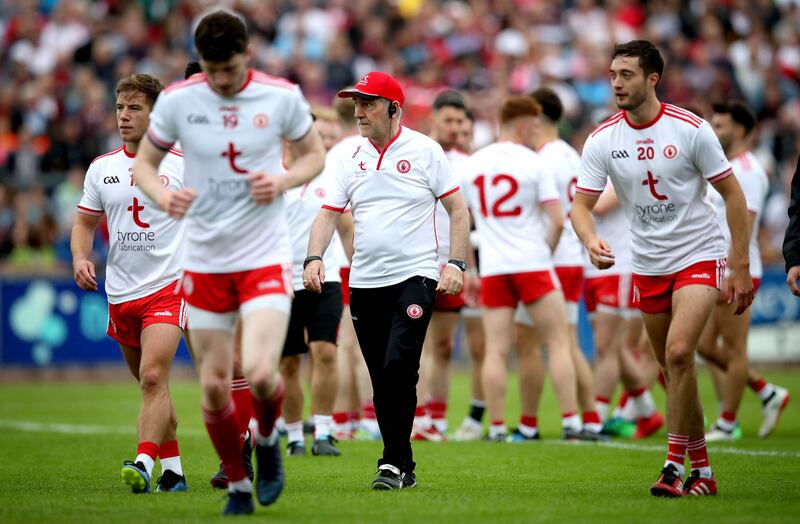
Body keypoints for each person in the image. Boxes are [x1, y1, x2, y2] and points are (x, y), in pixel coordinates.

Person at [132, 11, 326, 515]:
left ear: (247, 56)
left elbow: (314, 157)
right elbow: (145, 166)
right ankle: (239, 485)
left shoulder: (281, 95)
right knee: (215, 385)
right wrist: (161, 197)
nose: (221, 81)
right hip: (205, 259)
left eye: (230, 70)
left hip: (262, 255)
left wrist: (282, 181)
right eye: (213, 71)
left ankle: (265, 439)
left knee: (261, 373)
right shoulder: (179, 101)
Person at [571, 40, 753, 498]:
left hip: (697, 253)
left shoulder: (691, 129)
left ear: (653, 79)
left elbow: (734, 195)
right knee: (674, 371)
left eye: (626, 74)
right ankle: (704, 473)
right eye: (612, 73)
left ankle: (673, 466)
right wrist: (590, 239)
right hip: (646, 262)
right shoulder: (603, 138)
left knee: (677, 354)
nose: (615, 82)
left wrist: (741, 263)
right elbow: (580, 206)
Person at [303, 71, 469, 490]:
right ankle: (403, 463)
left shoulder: (426, 150)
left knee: (398, 366)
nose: (357, 111)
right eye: (355, 103)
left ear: (394, 108)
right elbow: (328, 213)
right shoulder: (347, 155)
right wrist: (314, 257)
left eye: (367, 103)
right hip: (364, 282)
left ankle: (390, 463)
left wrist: (456, 263)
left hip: (416, 276)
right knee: (382, 378)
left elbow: (458, 211)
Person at [71, 73, 188, 494]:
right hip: (121, 291)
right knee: (150, 385)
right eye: (120, 107)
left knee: (155, 377)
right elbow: (84, 223)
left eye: (135, 108)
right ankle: (173, 473)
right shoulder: (102, 168)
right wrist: (80, 256)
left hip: (170, 287)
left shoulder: (183, 164)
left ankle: (142, 462)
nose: (124, 115)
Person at [464, 96, 581, 442]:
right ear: (521, 124)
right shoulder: (533, 162)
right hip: (532, 263)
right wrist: (544, 252)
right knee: (558, 342)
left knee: (496, 350)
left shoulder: (475, 163)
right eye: (532, 123)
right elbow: (559, 220)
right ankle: (571, 421)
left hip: (495, 268)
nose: (537, 130)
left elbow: (465, 217)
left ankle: (498, 426)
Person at [508, 87, 605, 441]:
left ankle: (534, 424)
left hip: (547, 258)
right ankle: (588, 418)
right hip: (572, 258)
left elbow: (544, 215)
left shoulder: (541, 159)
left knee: (532, 342)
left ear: (535, 118)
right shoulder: (569, 154)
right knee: (565, 341)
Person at [701, 101, 789, 440]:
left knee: (734, 349)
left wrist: (733, 269)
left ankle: (727, 423)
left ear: (739, 131)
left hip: (736, 267)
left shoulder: (748, 170)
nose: (714, 131)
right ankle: (766, 392)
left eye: (720, 126)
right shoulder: (725, 166)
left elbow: (746, 224)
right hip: (717, 265)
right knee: (706, 347)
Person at [281, 107, 350, 457]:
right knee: (289, 361)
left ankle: (323, 431)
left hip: (327, 275)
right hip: (281, 280)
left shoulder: (331, 175)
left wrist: (358, 268)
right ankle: (294, 435)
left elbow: (347, 226)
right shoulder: (272, 175)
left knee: (325, 351)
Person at [412, 90, 474, 441]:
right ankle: (417, 417)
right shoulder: (419, 154)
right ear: (433, 120)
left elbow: (471, 219)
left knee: (444, 347)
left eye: (459, 122)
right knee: (414, 344)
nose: (453, 127)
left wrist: (468, 266)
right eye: (447, 120)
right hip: (419, 264)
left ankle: (436, 419)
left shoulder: (468, 164)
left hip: (451, 267)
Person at [451, 110, 489, 442]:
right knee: (444, 343)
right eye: (454, 125)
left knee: (482, 345)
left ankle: (478, 416)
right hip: (455, 261)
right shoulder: (441, 161)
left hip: (481, 260)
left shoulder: (478, 165)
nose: (460, 132)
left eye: (466, 126)